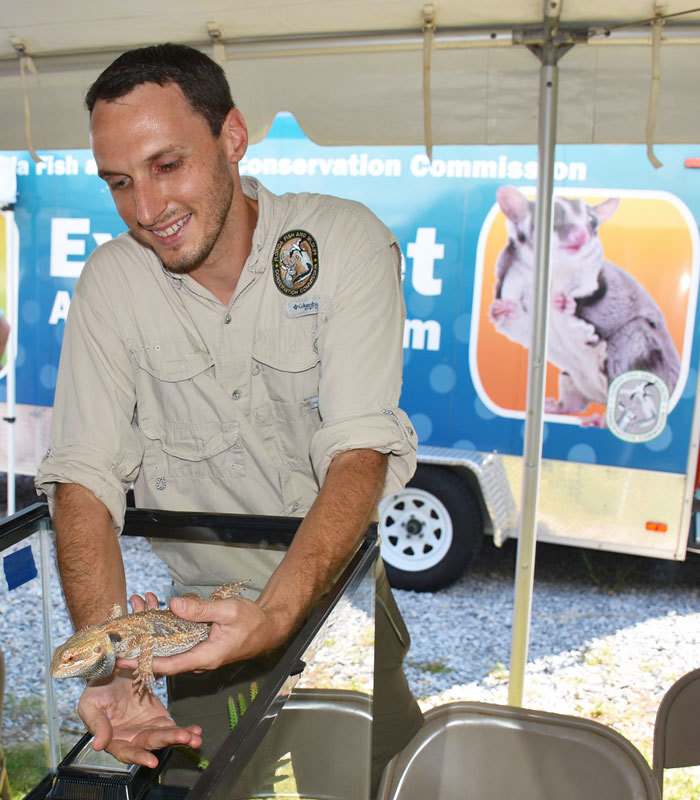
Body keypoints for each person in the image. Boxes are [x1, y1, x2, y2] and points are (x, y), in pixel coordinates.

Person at [35, 43, 423, 795]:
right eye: (120, 182)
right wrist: (109, 665)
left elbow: (359, 453)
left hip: (337, 605)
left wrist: (276, 618)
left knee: (370, 783)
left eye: (167, 165)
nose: (146, 209)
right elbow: (82, 475)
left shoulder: (341, 242)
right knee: (205, 789)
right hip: (199, 622)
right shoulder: (112, 283)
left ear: (233, 138)